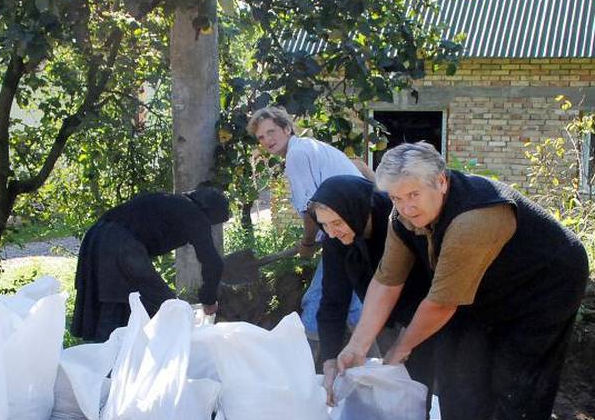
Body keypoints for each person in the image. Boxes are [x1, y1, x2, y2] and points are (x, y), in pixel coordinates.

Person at [336, 142, 588, 420]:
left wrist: (400, 350)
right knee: (460, 358)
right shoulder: (402, 219)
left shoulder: (475, 218)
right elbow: (386, 280)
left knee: (519, 372)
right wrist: (358, 345)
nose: (406, 208)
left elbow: (440, 304)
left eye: (413, 194)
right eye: (396, 198)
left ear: (440, 182)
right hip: (487, 283)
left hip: (544, 282)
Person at [246, 106, 374, 349]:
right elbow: (359, 171)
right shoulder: (309, 148)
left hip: (347, 232)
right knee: (351, 302)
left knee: (317, 301)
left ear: (287, 128)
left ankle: (310, 367)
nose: (267, 141)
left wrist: (307, 244)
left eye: (271, 132)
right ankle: (373, 366)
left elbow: (311, 211)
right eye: (261, 137)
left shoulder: (297, 155)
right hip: (350, 231)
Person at [308, 175, 433, 406]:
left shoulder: (399, 223)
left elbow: (427, 287)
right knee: (396, 383)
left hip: (430, 309)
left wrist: (404, 342)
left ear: (355, 210)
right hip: (383, 315)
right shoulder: (335, 239)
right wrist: (329, 361)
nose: (332, 232)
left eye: (336, 223)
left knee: (431, 377)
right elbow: (333, 300)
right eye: (324, 225)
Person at [71, 185, 230, 342]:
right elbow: (213, 262)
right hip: (120, 243)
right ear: (210, 212)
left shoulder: (172, 203)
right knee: (167, 304)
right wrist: (209, 300)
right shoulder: (194, 213)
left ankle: (109, 353)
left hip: (96, 237)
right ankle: (160, 354)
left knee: (117, 297)